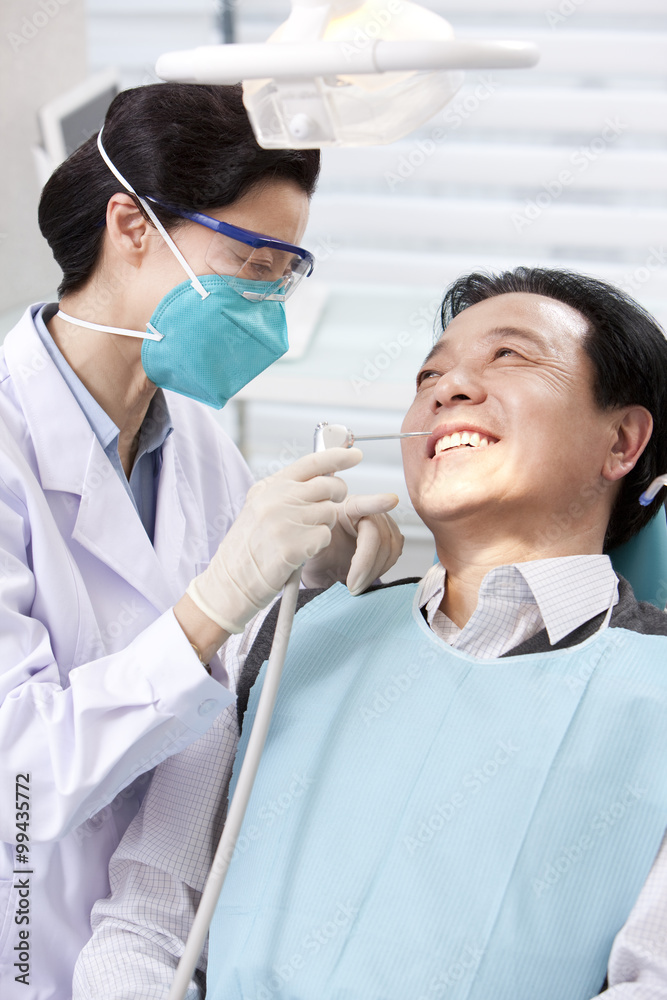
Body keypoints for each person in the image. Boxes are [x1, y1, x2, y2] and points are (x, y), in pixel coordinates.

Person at [73, 267, 667, 1000]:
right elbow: (148, 922)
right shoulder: (283, 641)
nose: (447, 388)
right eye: (429, 373)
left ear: (622, 441)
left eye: (507, 356)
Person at [0, 83, 403, 999]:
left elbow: (217, 687)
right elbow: (20, 783)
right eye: (247, 261)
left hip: (164, 934)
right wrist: (218, 602)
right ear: (131, 225)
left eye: (285, 269)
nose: (267, 303)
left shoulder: (194, 437)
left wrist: (306, 576)